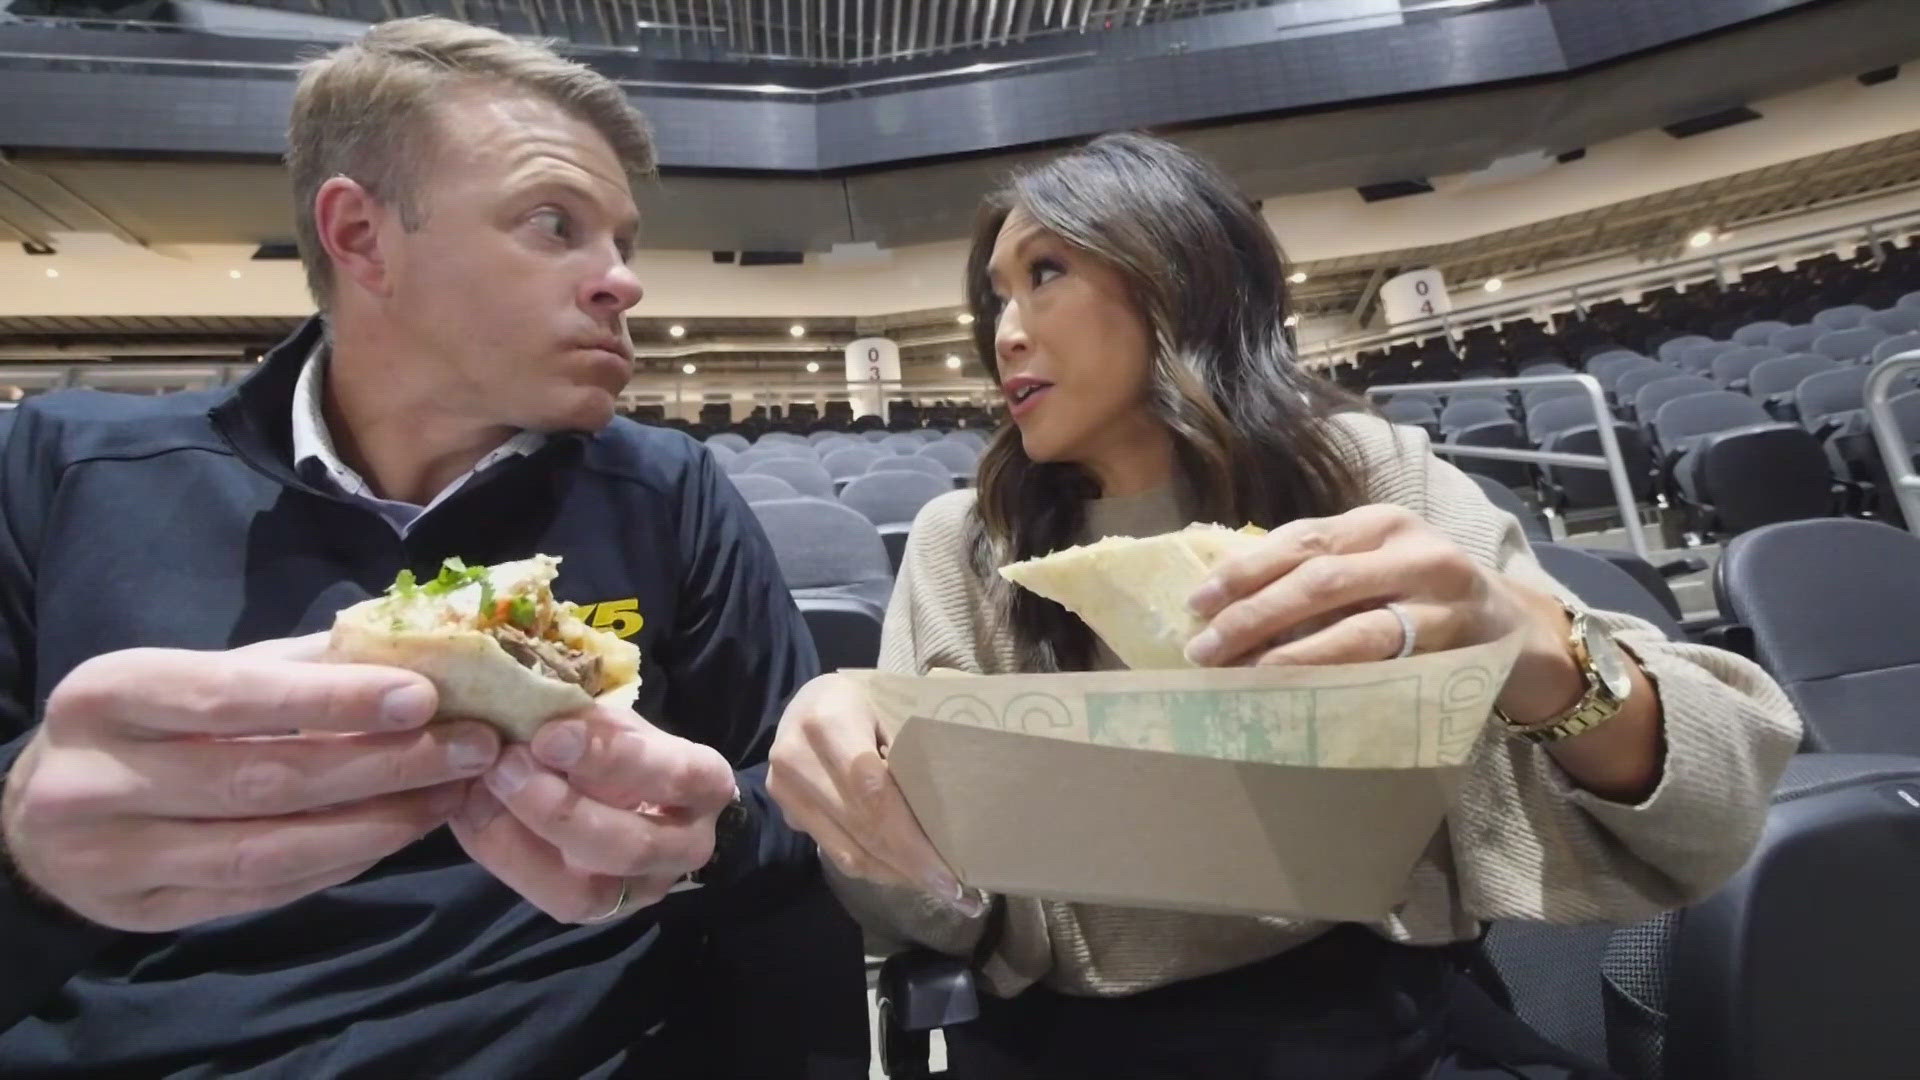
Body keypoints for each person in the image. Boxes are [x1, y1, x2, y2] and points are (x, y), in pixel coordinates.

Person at [768, 133, 1802, 1079]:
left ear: (1175, 274)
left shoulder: (1362, 473)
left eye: (1044, 275)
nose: (1006, 332)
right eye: (994, 298)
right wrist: (859, 805)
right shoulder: (967, 542)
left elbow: (1714, 815)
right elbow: (933, 923)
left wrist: (1531, 644)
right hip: (1080, 1049)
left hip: (1379, 1022)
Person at [0, 17, 866, 1077]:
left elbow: (790, 827)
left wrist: (711, 836)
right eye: (554, 224)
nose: (621, 282)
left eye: (622, 244)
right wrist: (23, 859)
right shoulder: (55, 468)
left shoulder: (662, 489)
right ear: (360, 236)